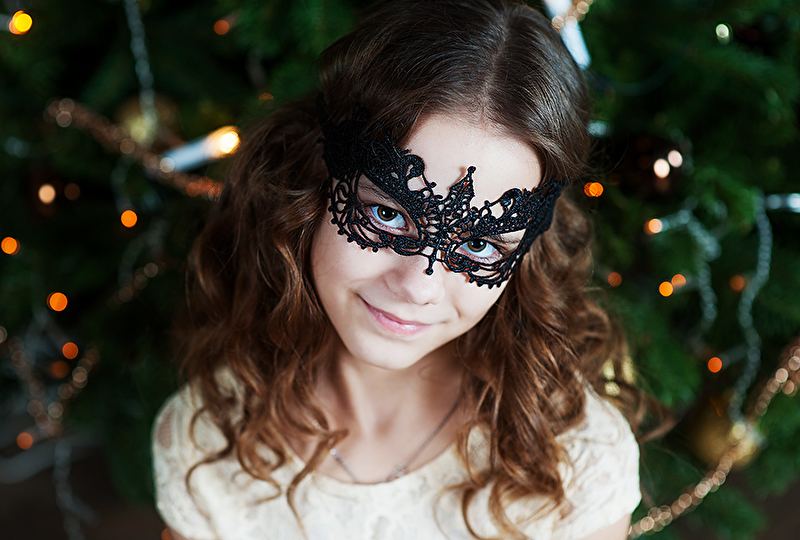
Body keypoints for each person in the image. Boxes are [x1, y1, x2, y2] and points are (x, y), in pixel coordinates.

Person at [152, 1, 643, 539]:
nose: (418, 287)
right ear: (315, 185)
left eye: (479, 244)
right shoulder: (207, 443)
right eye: (388, 214)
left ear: (524, 254)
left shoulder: (575, 460)